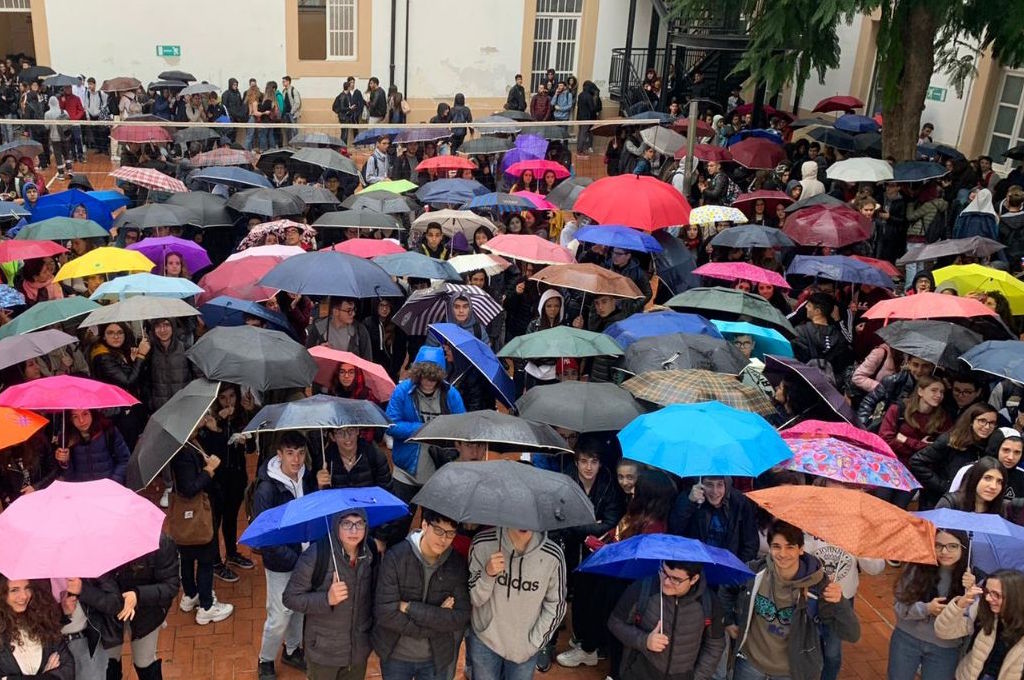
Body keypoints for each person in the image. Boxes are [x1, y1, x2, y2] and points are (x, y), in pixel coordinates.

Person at [720, 520, 860, 680]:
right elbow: (727, 587)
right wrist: (728, 621)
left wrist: (839, 602)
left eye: (790, 547)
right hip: (750, 663)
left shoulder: (816, 587)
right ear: (769, 548)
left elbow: (851, 634)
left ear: (801, 549)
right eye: (776, 546)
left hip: (789, 671)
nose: (783, 554)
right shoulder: (754, 572)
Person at [372, 508, 471, 680]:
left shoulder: (456, 564)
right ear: (424, 525)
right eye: (438, 530)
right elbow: (385, 612)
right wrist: (437, 617)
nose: (443, 539)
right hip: (396, 656)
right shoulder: (396, 557)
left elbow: (460, 616)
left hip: (435, 657)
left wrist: (409, 607)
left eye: (450, 534)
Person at [253, 431, 321, 680]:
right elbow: (266, 538)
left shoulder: (309, 478)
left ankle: (292, 649)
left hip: (306, 556)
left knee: (299, 609)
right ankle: (266, 659)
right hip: (281, 563)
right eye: (290, 453)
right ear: (279, 454)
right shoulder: (267, 490)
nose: (296, 460)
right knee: (279, 615)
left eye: (301, 453)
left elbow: (316, 512)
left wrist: (321, 487)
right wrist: (297, 561)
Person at [282, 509, 376, 680]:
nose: (354, 531)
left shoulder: (370, 553)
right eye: (347, 524)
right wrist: (327, 599)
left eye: (359, 523)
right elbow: (290, 598)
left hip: (357, 653)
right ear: (335, 525)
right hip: (323, 654)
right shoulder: (316, 554)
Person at [553, 446, 625, 670]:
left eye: (593, 461)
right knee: (563, 593)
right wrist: (590, 527)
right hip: (569, 548)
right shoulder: (566, 481)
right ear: (576, 462)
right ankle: (570, 639)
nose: (588, 467)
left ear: (600, 463)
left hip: (597, 553)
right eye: (584, 461)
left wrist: (578, 527)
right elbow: (558, 517)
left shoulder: (609, 484)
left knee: (589, 597)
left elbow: (611, 521)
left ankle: (587, 646)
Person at [385, 347, 466, 539]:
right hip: (406, 471)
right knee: (397, 525)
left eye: (433, 378)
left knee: (435, 527)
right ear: (417, 374)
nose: (429, 383)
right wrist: (421, 429)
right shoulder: (402, 391)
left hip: (439, 473)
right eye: (424, 377)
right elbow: (390, 424)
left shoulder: (451, 394)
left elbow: (463, 427)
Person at [467, 525, 566, 680]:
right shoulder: (482, 543)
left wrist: (535, 642)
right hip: (485, 641)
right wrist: (488, 574)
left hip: (525, 647)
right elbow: (474, 599)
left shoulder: (552, 555)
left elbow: (556, 604)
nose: (524, 523)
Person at [79, 533, 180, 680]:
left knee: (144, 662)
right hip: (109, 615)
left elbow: (171, 586)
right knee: (109, 664)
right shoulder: (97, 543)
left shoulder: (161, 543)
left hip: (147, 614)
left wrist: (137, 595)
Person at [608, 560, 726, 680]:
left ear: (694, 579)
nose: (666, 582)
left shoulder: (709, 603)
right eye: (664, 572)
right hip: (639, 673)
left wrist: (698, 677)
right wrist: (644, 641)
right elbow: (615, 623)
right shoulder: (643, 588)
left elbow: (715, 645)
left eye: (675, 579)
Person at [887, 529, 974, 680]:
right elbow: (899, 608)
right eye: (938, 545)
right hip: (907, 638)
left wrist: (971, 592)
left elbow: (971, 622)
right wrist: (926, 608)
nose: (944, 551)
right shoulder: (917, 568)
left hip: (945, 647)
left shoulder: (972, 578)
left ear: (964, 548)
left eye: (952, 546)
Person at [169, 432, 235, 626]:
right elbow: (189, 488)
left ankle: (190, 595)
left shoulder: (187, 443)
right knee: (205, 559)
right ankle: (206, 607)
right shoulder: (183, 453)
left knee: (187, 556)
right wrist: (209, 469)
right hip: (198, 515)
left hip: (186, 519)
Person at [934, 569, 1024, 679]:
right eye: (986, 592)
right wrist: (960, 604)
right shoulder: (982, 612)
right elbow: (943, 631)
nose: (988, 598)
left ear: (1015, 596)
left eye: (996, 594)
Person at [910, 403, 999, 509]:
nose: (987, 426)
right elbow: (916, 461)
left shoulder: (989, 446)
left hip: (966, 502)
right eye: (982, 421)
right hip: (937, 501)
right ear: (971, 421)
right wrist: (942, 485)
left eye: (992, 423)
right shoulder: (949, 440)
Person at [669, 476, 759, 563]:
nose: (715, 491)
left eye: (719, 485)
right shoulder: (690, 497)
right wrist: (689, 503)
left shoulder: (740, 502)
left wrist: (738, 568)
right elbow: (674, 532)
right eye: (709, 485)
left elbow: (750, 544)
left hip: (729, 566)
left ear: (727, 484)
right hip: (696, 565)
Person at [0, 576, 74, 680]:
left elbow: (67, 670)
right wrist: (46, 676)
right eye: (14, 590)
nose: (24, 596)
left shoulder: (43, 622)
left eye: (27, 588)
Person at [55, 409, 130, 485]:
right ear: (70, 419)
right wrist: (65, 462)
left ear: (92, 413)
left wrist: (114, 482)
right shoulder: (67, 439)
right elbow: (69, 477)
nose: (81, 421)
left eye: (85, 414)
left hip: (109, 488)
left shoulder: (108, 431)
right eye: (75, 417)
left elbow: (124, 460)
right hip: (82, 490)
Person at [934, 456, 1008, 515]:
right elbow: (931, 530)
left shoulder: (1002, 509)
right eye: (987, 478)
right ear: (975, 478)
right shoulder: (951, 503)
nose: (993, 486)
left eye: (999, 481)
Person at [307, 298, 374, 359]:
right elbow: (307, 358)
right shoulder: (319, 329)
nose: (353, 314)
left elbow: (367, 360)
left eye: (354, 309)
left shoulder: (360, 331)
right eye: (349, 311)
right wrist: (318, 350)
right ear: (336, 311)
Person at [575, 80, 601, 155]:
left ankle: (579, 149)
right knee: (583, 134)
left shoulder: (580, 95)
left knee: (580, 133)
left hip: (580, 117)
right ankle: (580, 150)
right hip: (586, 118)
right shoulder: (589, 96)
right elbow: (592, 108)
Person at [280, 75, 301, 145]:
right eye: (282, 82)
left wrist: (292, 112)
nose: (283, 83)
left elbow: (297, 103)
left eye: (284, 81)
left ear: (288, 82)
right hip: (285, 114)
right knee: (287, 131)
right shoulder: (283, 91)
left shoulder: (293, 90)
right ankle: (289, 145)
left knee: (294, 130)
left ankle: (296, 145)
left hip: (292, 114)